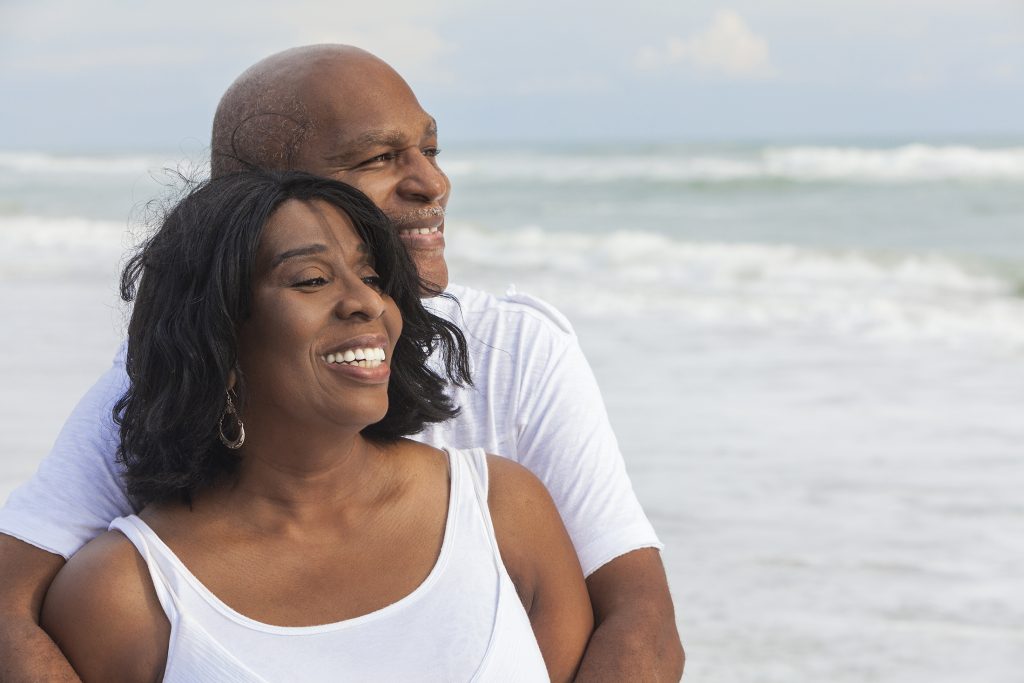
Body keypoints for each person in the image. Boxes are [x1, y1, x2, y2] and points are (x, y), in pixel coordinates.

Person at [0, 45, 684, 681]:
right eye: (378, 159)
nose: (432, 180)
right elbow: (8, 607)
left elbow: (642, 625)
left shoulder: (514, 362)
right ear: (251, 204)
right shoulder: (163, 385)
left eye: (431, 148)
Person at [39, 170, 593, 681]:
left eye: (371, 275)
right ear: (219, 338)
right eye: (310, 280)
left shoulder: (502, 510)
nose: (365, 302)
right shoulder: (127, 594)